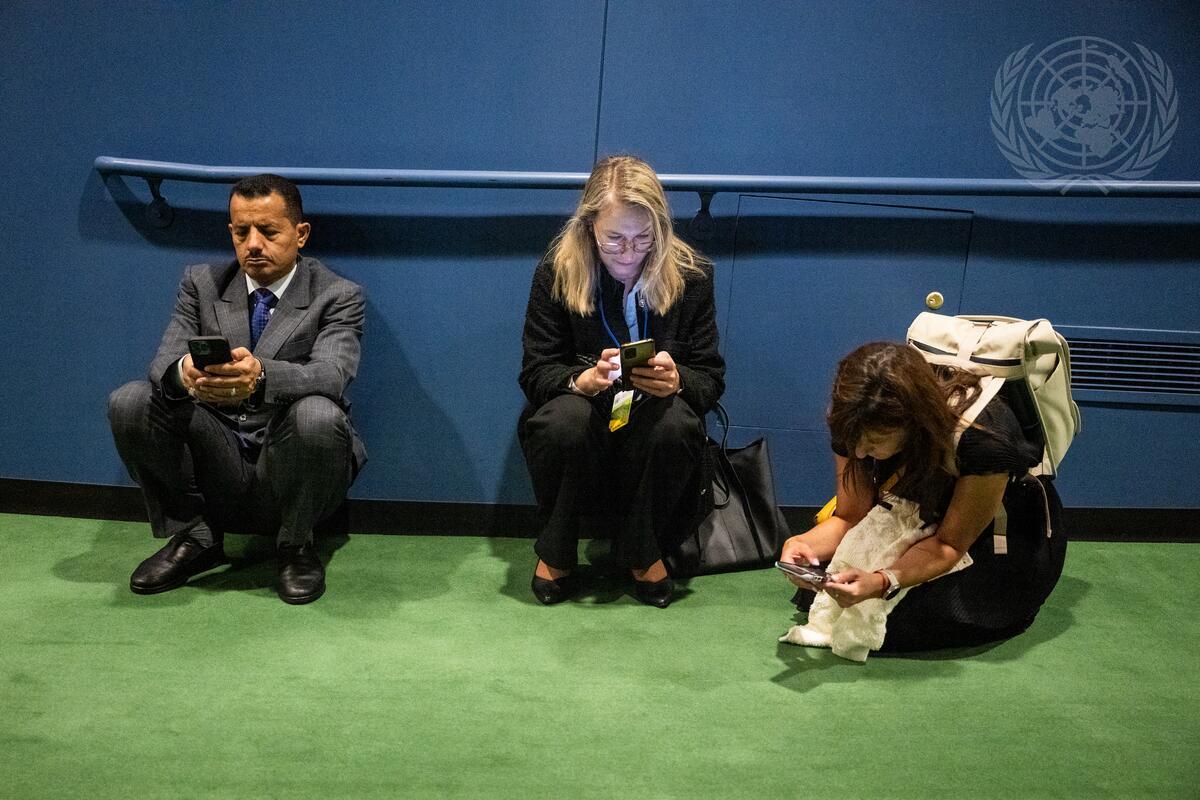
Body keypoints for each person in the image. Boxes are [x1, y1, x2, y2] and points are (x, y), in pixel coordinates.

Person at [107, 174, 366, 605]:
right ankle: (196, 537)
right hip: (217, 452)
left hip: (288, 457)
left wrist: (261, 376)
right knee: (130, 402)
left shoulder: (338, 294)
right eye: (241, 232)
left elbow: (332, 374)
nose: (253, 244)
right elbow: (162, 365)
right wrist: (185, 373)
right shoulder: (201, 283)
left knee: (320, 413)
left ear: (300, 234)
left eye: (268, 231)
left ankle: (296, 544)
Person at [518, 155, 725, 608]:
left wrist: (678, 381)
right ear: (589, 226)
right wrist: (582, 380)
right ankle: (556, 552)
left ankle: (643, 552)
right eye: (614, 238)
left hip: (653, 412)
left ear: (660, 230)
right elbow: (535, 372)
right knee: (561, 423)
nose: (629, 253)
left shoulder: (693, 276)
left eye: (643, 238)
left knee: (676, 424)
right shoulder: (556, 272)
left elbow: (710, 378)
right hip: (586, 409)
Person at [779, 341, 1067, 652]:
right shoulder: (853, 420)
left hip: (999, 537)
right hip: (919, 515)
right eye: (853, 441)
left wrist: (883, 581)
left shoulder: (983, 438)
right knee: (824, 591)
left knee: (889, 625)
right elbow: (851, 516)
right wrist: (802, 544)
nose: (859, 453)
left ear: (914, 423)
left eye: (873, 443)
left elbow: (949, 545)